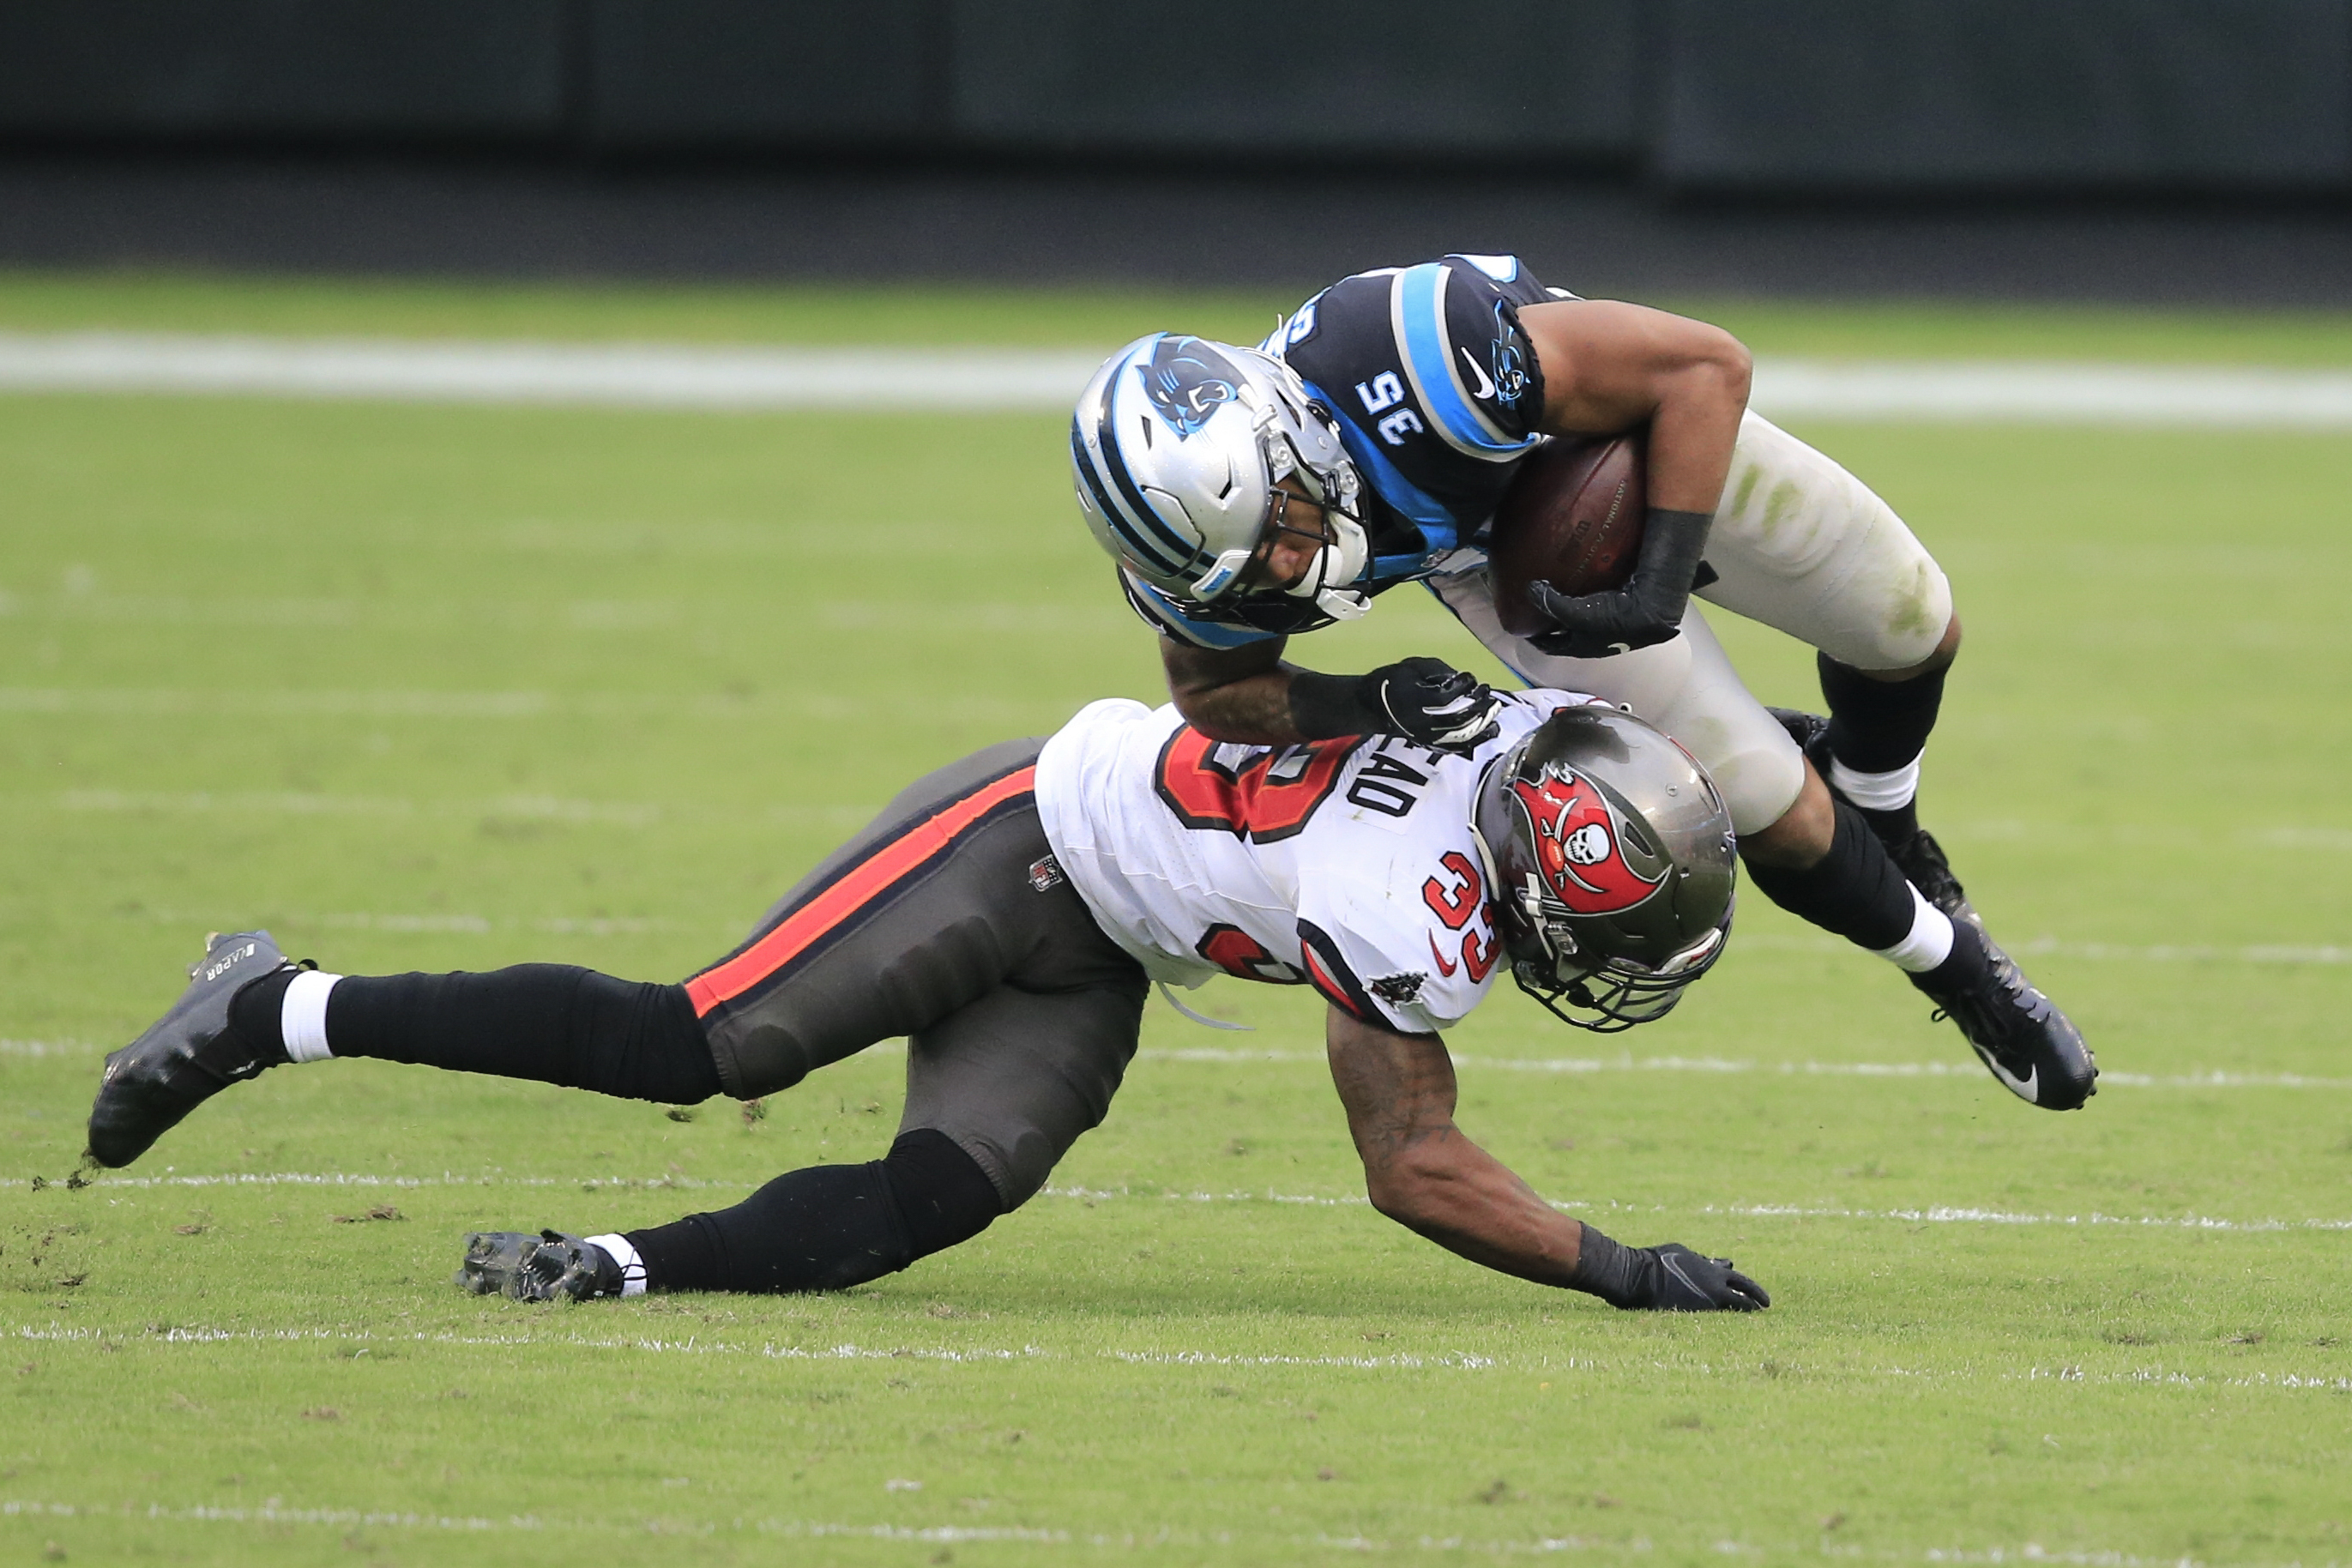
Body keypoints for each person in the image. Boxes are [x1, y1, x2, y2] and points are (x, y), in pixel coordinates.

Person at [86, 695, 1768, 1312]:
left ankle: (617, 1267)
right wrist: (1621, 1269)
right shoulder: (1410, 908)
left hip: (1108, 937)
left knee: (933, 1197)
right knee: (710, 1038)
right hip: (1028, 836)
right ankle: (275, 1001)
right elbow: (1411, 1163)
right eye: (1611, 927)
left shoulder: (1539, 719)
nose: (1614, 959)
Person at [1070, 254, 2096, 1111]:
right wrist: (1371, 698)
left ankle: (1890, 812)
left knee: (1910, 620)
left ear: (1286, 445)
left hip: (1618, 440)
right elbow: (1214, 696)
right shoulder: (1207, 566)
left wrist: (1656, 585)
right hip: (1490, 563)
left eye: (1279, 535)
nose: (1279, 578)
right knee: (1755, 795)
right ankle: (1956, 965)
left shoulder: (1412, 356)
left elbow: (1705, 366)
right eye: (1243, 572)